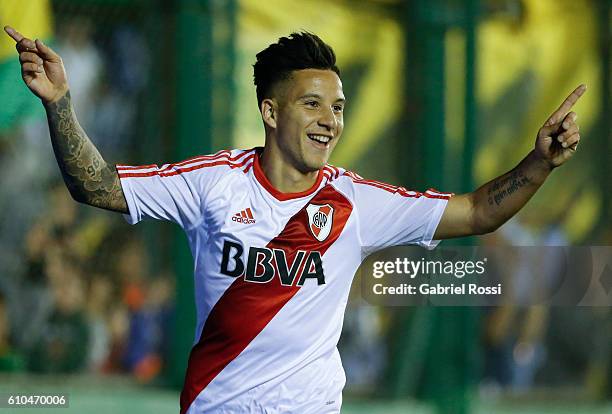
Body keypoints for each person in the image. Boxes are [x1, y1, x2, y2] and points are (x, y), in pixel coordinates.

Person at [4, 25, 585, 413]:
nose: (330, 120)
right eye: (313, 104)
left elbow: (479, 211)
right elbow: (96, 185)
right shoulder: (214, 183)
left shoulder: (357, 202)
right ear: (270, 110)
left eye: (337, 106)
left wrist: (540, 162)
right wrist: (59, 103)